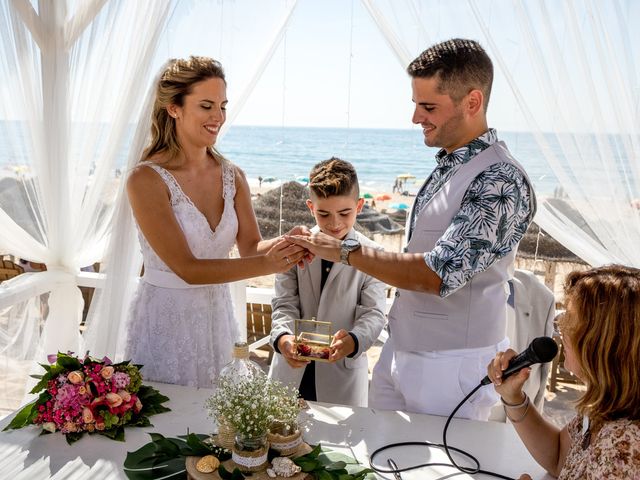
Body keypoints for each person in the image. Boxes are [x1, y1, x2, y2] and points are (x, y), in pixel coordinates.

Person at [285, 38, 536, 419]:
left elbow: (437, 273)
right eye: (416, 105)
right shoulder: (448, 166)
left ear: (472, 102)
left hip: (452, 366)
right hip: (400, 355)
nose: (416, 117)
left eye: (428, 106)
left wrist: (342, 251)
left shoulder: (500, 179)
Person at [125, 56, 307, 388]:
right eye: (207, 106)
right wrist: (267, 264)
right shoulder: (146, 180)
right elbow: (187, 268)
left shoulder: (232, 176)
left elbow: (252, 246)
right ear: (174, 108)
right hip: (167, 322)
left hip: (218, 320)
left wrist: (286, 244)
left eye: (222, 106)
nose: (218, 117)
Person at [486, 265, 640, 479]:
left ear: (605, 343)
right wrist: (513, 397)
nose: (560, 324)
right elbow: (561, 456)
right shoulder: (605, 408)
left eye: (571, 319)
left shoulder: (625, 447)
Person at [268, 158, 386, 407]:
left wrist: (353, 341)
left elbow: (374, 314)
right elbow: (284, 303)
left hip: (341, 374)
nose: (334, 223)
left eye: (344, 213)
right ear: (311, 207)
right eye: (324, 214)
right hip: (291, 371)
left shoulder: (374, 253)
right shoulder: (294, 246)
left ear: (360, 205)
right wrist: (283, 339)